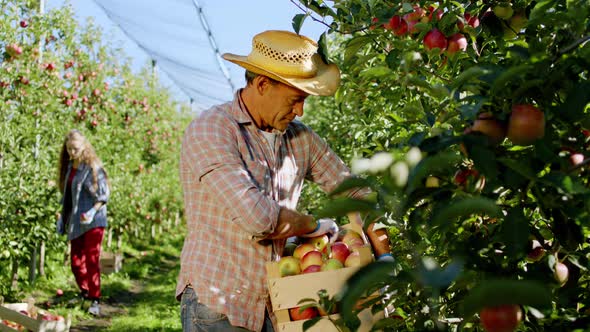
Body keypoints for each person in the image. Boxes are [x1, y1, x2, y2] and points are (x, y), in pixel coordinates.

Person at [176, 29, 374, 332]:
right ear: (263, 84)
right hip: (220, 305)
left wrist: (380, 241)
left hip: (278, 302)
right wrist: (314, 226)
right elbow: (258, 217)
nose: (300, 110)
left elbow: (351, 188)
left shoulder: (300, 139)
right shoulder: (212, 131)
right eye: (295, 99)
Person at [57, 129, 110, 317]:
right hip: (76, 221)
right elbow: (68, 196)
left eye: (75, 149)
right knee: (75, 262)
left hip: (93, 221)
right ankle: (85, 292)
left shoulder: (92, 167)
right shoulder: (70, 167)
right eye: (69, 149)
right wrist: (62, 216)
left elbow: (103, 195)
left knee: (91, 259)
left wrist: (92, 211)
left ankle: (95, 299)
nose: (72, 152)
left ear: (84, 146)